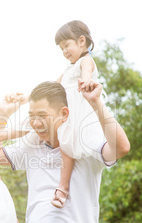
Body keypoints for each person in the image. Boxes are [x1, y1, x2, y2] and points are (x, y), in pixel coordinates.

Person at [0, 80, 130, 223]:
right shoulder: (31, 144)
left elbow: (121, 148)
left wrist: (96, 102)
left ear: (64, 113)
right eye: (31, 116)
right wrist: (2, 116)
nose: (36, 123)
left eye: (42, 116)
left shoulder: (84, 142)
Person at [51, 20, 106, 208]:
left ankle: (62, 188)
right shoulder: (68, 69)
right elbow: (52, 87)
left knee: (67, 146)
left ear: (81, 41)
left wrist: (86, 81)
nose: (64, 51)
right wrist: (28, 97)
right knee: (64, 145)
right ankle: (62, 186)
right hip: (67, 112)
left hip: (78, 113)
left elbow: (87, 72)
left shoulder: (85, 60)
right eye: (61, 49)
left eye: (66, 45)